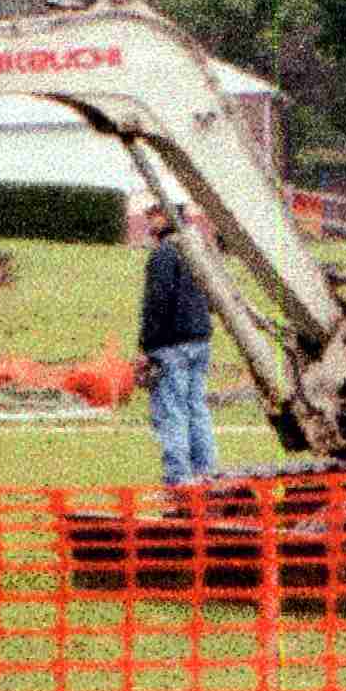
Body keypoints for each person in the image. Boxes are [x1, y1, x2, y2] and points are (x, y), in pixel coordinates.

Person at [135, 206, 218, 484]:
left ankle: (179, 482)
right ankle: (206, 475)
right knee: (197, 408)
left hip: (170, 345)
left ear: (167, 216)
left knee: (171, 412)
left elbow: (156, 304)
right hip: (200, 340)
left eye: (153, 214)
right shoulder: (195, 249)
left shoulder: (163, 255)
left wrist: (146, 347)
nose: (148, 220)